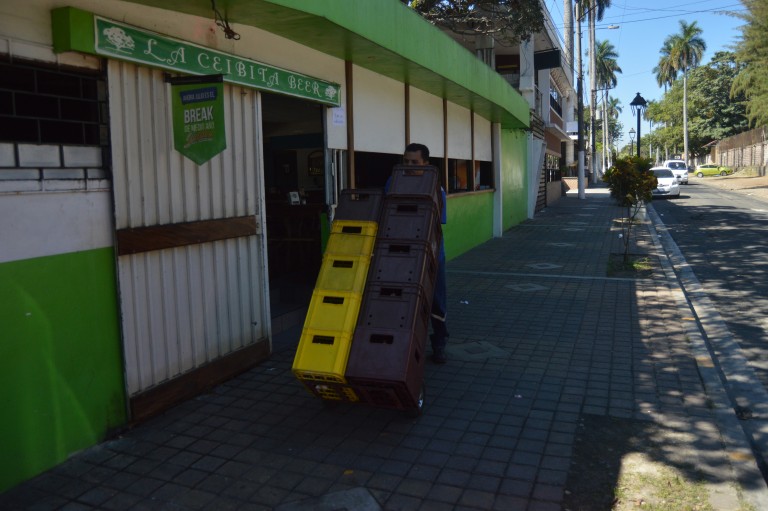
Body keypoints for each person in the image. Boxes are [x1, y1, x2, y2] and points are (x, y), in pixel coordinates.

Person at [401, 143, 449, 364]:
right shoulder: (394, 182)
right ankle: (405, 346)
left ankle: (439, 344)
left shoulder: (437, 190)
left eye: (415, 162)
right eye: (406, 162)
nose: (409, 166)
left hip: (432, 253)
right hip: (402, 253)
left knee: (436, 300)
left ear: (426, 164)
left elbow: (437, 223)